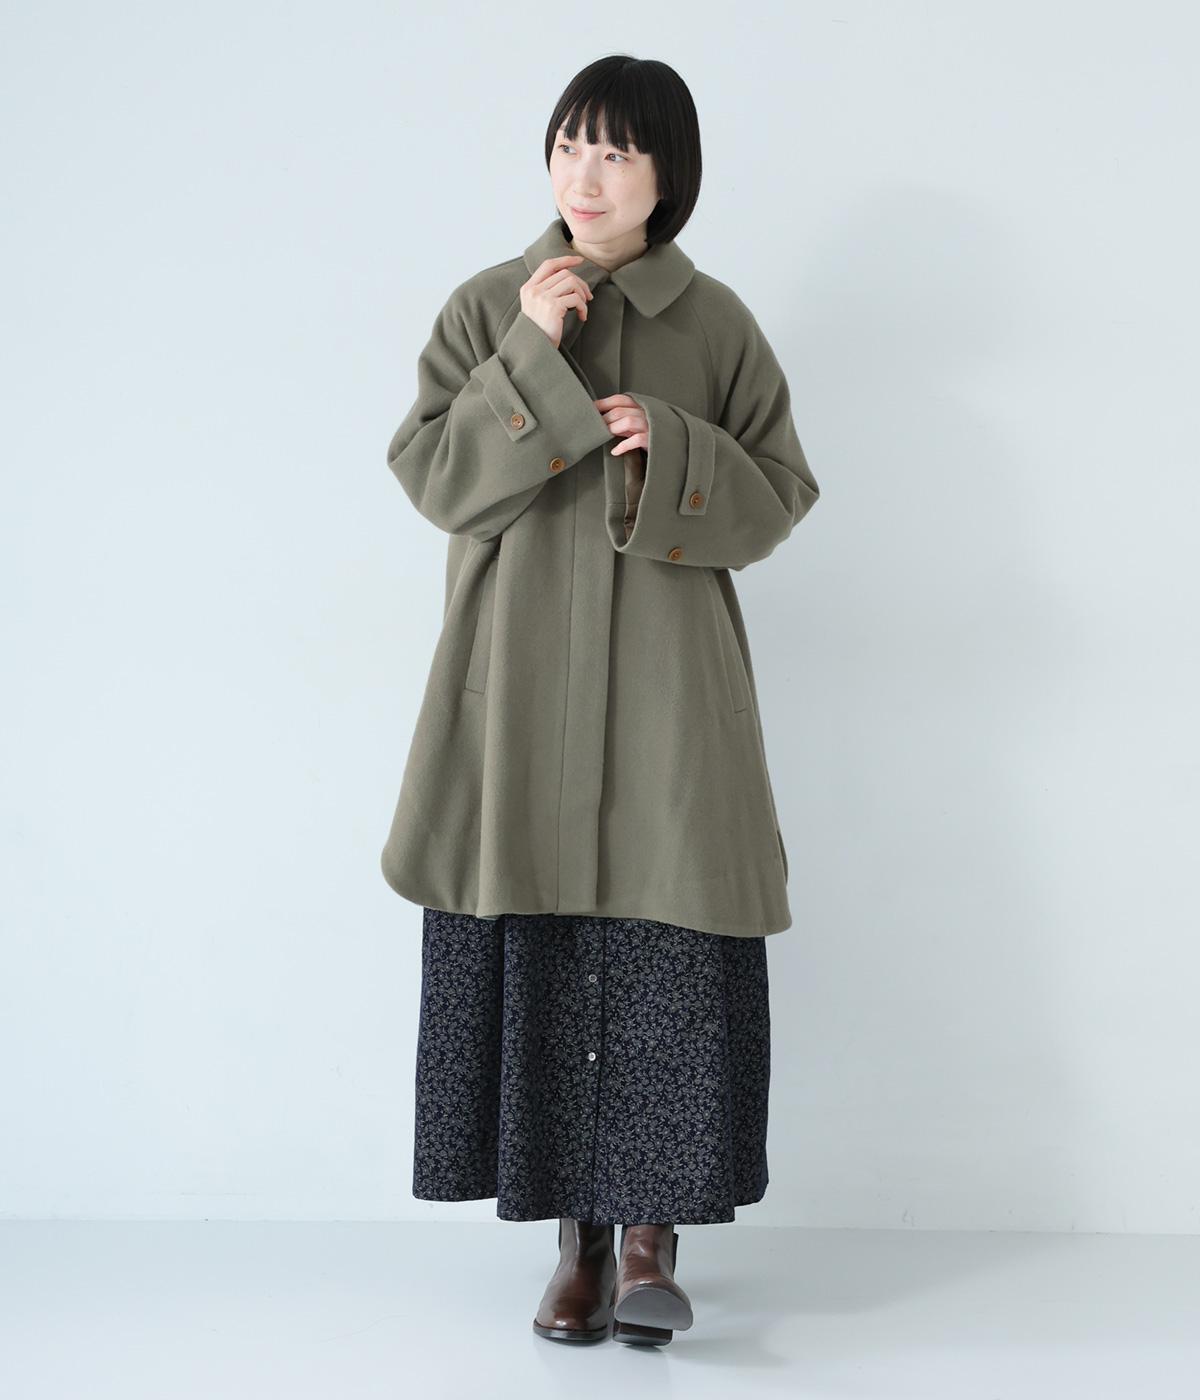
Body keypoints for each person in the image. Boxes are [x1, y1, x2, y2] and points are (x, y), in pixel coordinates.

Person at [379, 54, 820, 1347]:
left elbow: (780, 495)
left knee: (667, 951)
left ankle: (648, 1246)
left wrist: (672, 448)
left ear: (667, 175)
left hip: (671, 698)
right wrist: (533, 350)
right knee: (544, 951)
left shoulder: (717, 324)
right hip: (515, 691)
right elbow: (439, 482)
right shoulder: (488, 307)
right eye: (571, 144)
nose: (588, 174)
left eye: (619, 152)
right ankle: (572, 1245)